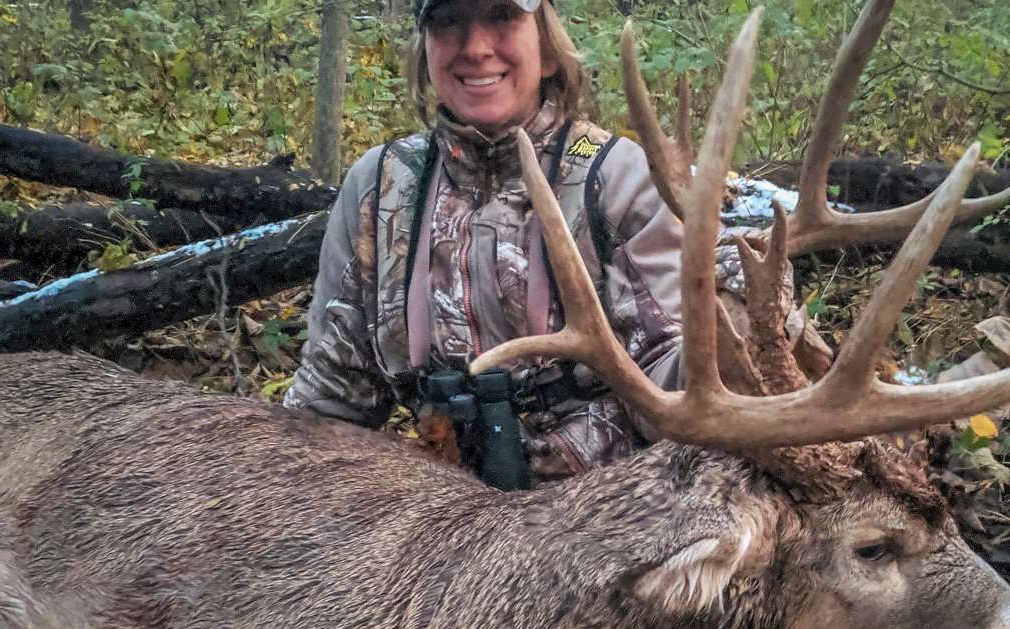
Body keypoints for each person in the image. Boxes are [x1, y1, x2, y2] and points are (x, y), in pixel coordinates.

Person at [284, 0, 706, 485]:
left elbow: (671, 385)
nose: (476, 47)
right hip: (434, 504)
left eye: (502, 15)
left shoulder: (619, 177)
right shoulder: (381, 187)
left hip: (603, 508)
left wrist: (737, 332)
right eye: (448, 21)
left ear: (548, 49)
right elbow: (330, 398)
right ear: (425, 52)